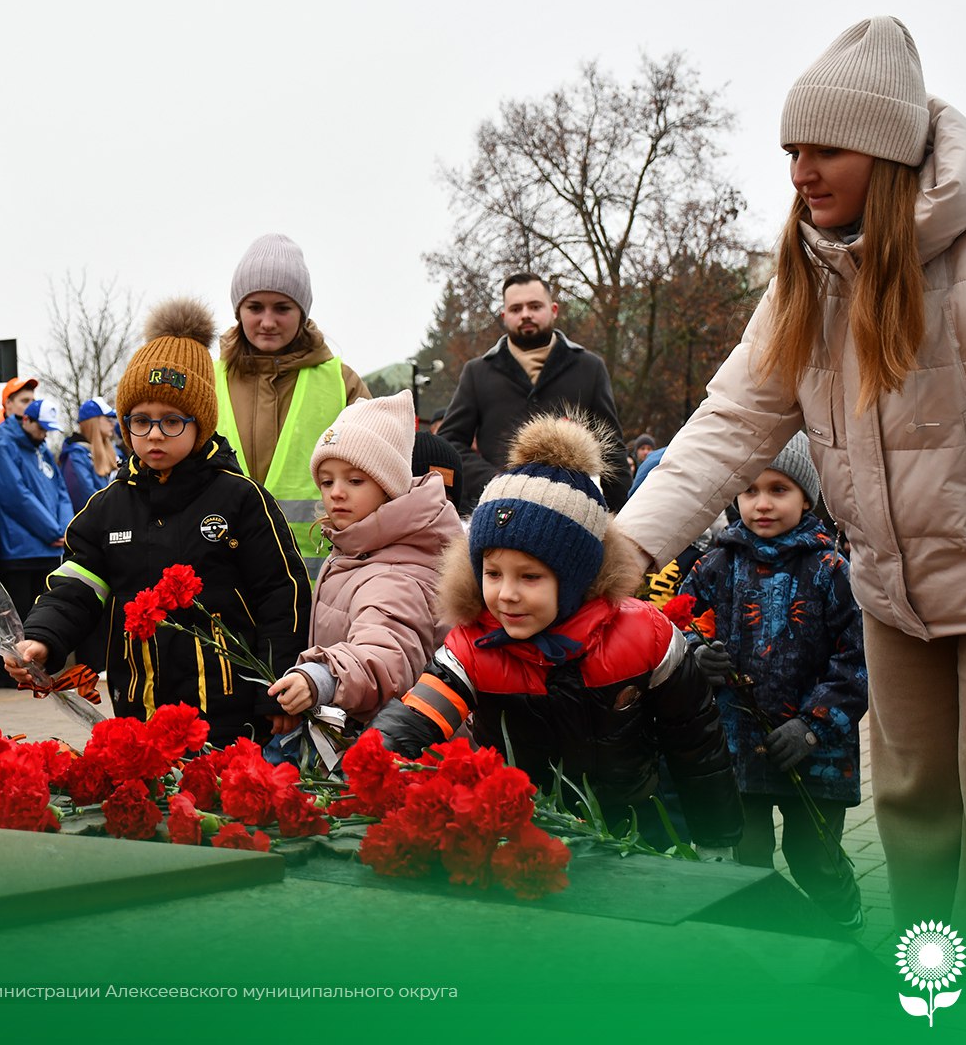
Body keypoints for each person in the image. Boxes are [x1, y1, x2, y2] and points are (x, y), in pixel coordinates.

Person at [615, 17, 966, 958]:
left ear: (889, 151)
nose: (801, 172)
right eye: (792, 150)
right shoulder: (807, 277)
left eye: (825, 149)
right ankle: (928, 984)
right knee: (909, 805)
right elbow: (730, 422)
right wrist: (624, 550)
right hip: (889, 592)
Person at [369, 414, 743, 854]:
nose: (506, 595)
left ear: (575, 577)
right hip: (521, 839)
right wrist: (368, 766)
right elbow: (417, 719)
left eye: (529, 577)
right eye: (492, 573)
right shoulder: (474, 646)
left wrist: (717, 841)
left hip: (634, 836)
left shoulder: (645, 637)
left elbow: (695, 745)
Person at [8, 297, 311, 746]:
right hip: (138, 709)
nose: (153, 433)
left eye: (172, 420)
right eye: (140, 420)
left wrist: (276, 693)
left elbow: (280, 597)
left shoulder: (242, 499)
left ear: (201, 424)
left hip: (231, 715)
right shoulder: (107, 508)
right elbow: (76, 587)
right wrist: (42, 637)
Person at [676, 434, 867, 929]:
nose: (761, 503)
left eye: (778, 489)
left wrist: (813, 726)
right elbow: (677, 626)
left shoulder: (832, 570)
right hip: (736, 749)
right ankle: (768, 951)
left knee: (814, 858)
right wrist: (698, 654)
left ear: (807, 497)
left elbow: (858, 662)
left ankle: (845, 924)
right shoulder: (715, 564)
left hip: (817, 757)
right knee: (747, 863)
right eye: (750, 489)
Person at [265, 390, 463, 731]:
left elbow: (386, 654)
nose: (336, 492)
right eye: (327, 481)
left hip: (396, 754)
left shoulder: (394, 574)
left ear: (389, 487)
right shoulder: (359, 547)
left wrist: (324, 675)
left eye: (355, 480)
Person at [214, 234, 370, 581]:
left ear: (301, 312)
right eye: (255, 307)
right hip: (225, 582)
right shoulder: (207, 379)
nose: (267, 322)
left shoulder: (341, 382)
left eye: (281, 308)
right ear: (238, 310)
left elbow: (380, 480)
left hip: (320, 584)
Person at [438, 273, 631, 511]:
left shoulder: (590, 367)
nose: (525, 314)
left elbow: (611, 448)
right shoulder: (477, 372)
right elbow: (449, 442)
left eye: (535, 306)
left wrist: (621, 519)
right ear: (504, 316)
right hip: (497, 510)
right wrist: (494, 479)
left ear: (554, 310)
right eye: (516, 308)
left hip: (570, 511)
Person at [0, 396, 73, 687]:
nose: (45, 433)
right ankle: (10, 673)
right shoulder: (5, 447)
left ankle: (36, 668)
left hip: (49, 544)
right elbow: (15, 496)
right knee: (17, 616)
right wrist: (51, 530)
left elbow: (61, 490)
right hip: (20, 548)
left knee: (41, 609)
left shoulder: (42, 449)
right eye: (42, 427)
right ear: (26, 420)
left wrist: (64, 528)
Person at [59, 396, 120, 513]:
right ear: (94, 421)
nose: (113, 424)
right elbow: (87, 501)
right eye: (109, 419)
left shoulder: (111, 452)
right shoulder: (76, 455)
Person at [0, 375, 38, 450]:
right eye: (25, 401)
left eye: (33, 401)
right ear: (8, 403)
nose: (31, 406)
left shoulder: (35, 435)